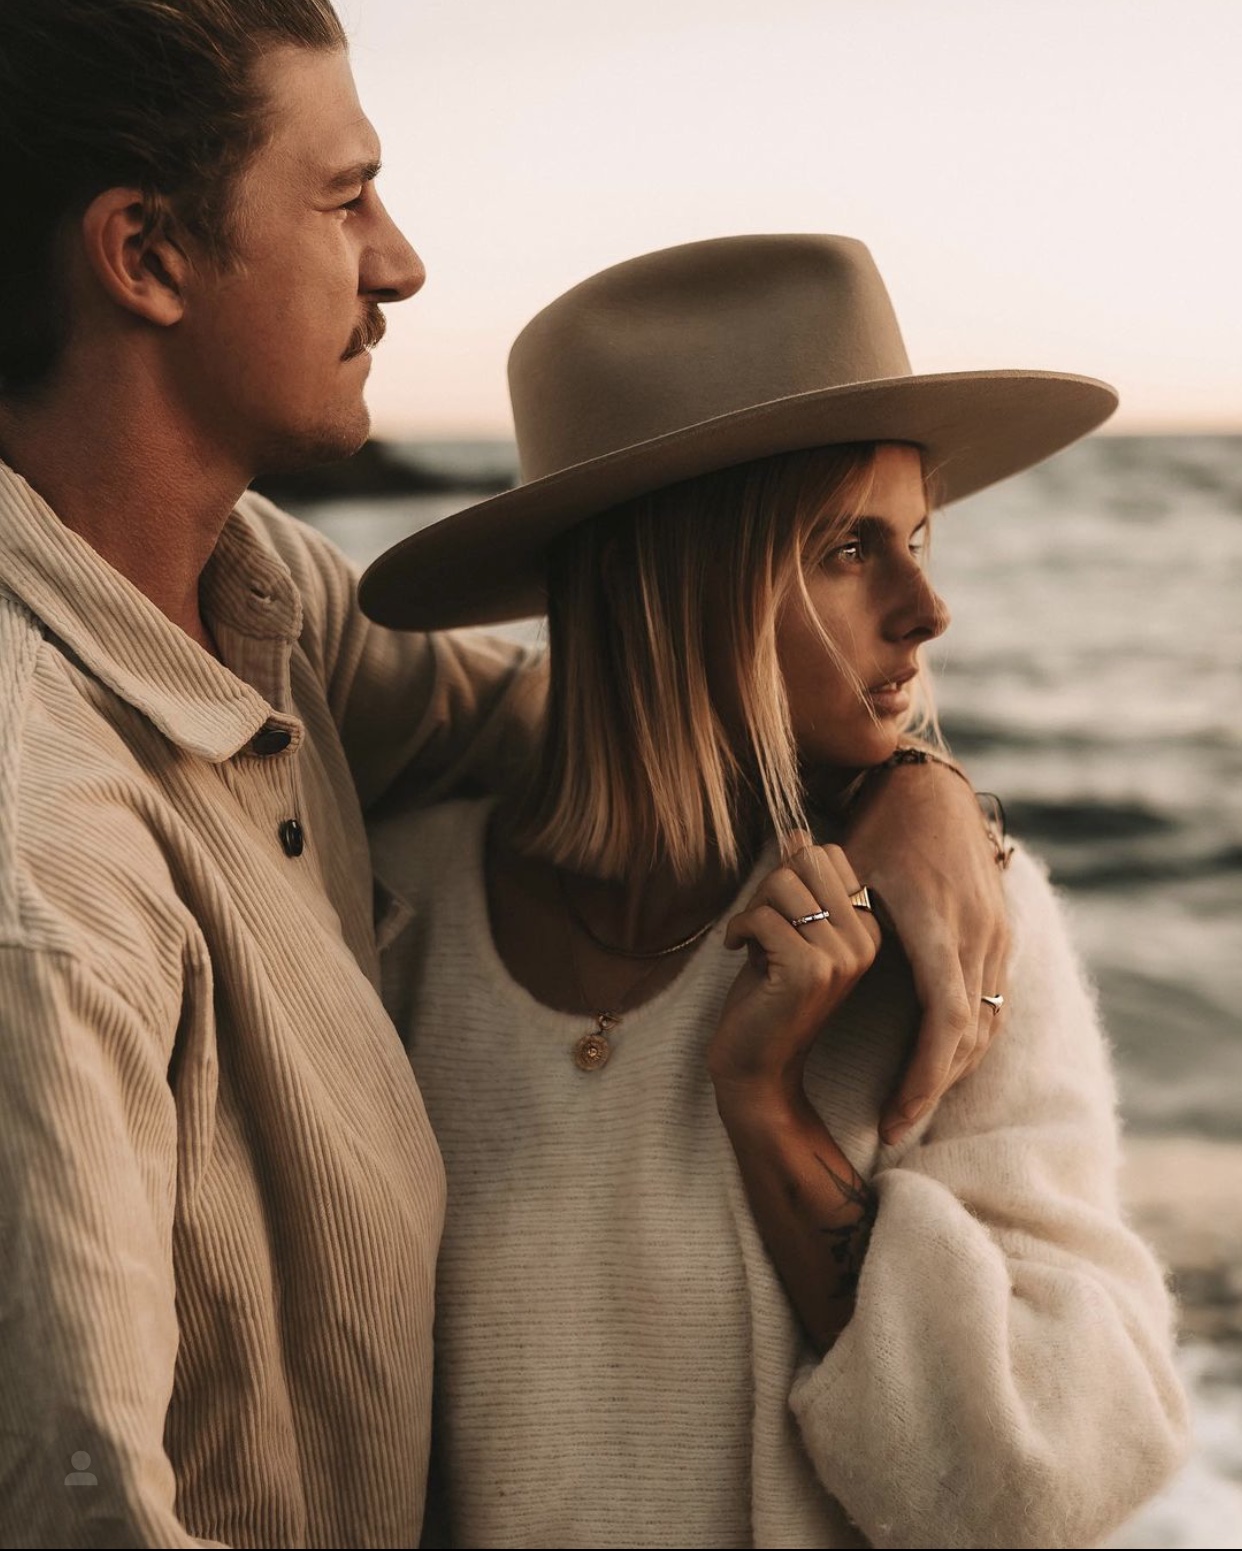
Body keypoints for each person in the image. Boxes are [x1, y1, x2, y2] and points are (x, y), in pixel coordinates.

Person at [0, 8, 1018, 1547]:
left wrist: (907, 779)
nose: (400, 263)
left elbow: (610, 717)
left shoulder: (259, 602)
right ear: (144, 255)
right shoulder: (47, 866)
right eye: (345, 197)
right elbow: (81, 1507)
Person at [362, 235, 1190, 1548]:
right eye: (849, 547)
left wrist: (769, 1108)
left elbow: (1035, 1481)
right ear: (674, 583)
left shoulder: (950, 921)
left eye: (918, 536)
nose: (927, 608)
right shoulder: (395, 914)